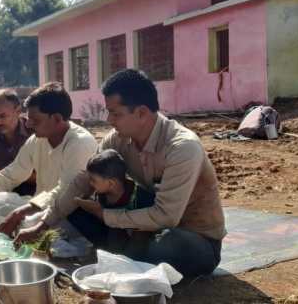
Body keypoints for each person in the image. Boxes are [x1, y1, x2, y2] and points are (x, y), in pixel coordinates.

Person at [16, 69, 226, 277]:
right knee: (74, 206)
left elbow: (167, 216)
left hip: (193, 238)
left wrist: (107, 216)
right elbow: (83, 181)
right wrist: (42, 224)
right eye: (109, 112)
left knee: (166, 243)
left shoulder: (182, 147)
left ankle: (126, 256)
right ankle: (126, 255)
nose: (109, 120)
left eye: (115, 113)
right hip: (141, 228)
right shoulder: (117, 139)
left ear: (142, 113)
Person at [0, 83, 98, 234]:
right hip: (38, 205)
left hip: (68, 213)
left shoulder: (80, 143)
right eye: (29, 119)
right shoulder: (38, 139)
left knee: (27, 221)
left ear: (57, 118)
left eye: (35, 120)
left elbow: (66, 193)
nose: (29, 124)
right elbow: (13, 172)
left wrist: (20, 213)